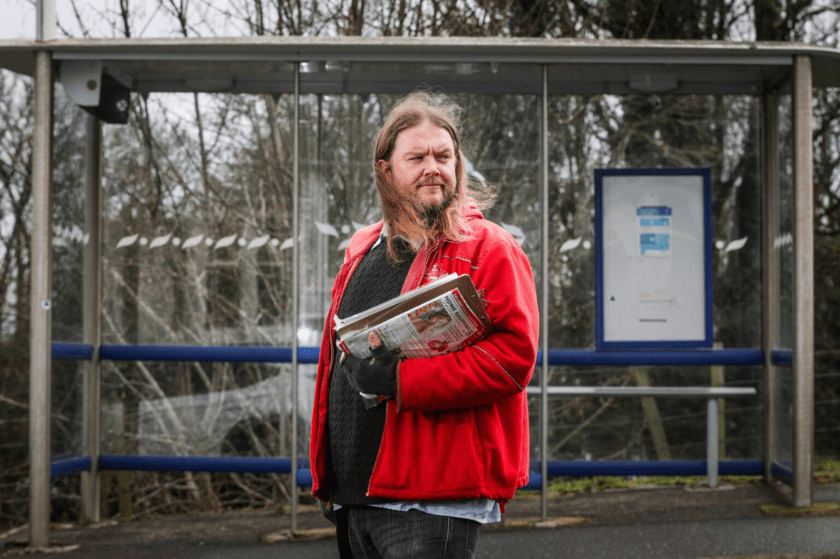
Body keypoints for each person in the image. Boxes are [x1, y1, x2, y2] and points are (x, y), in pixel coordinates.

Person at [309, 91, 539, 558]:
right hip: (355, 494)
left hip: (433, 500)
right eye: (417, 157)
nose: (433, 167)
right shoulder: (361, 251)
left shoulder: (488, 248)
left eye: (444, 156)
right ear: (385, 169)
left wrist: (400, 379)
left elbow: (514, 359)